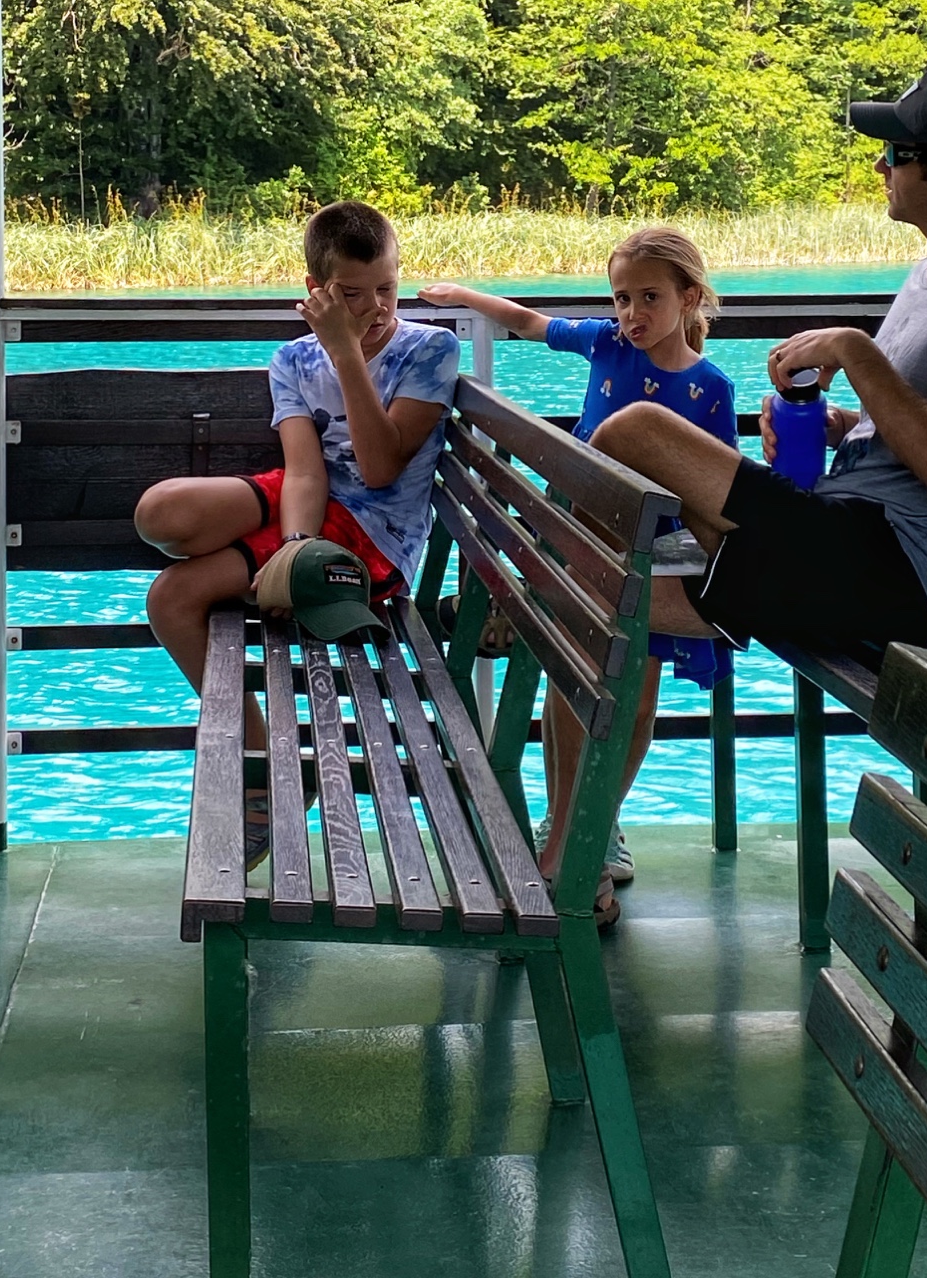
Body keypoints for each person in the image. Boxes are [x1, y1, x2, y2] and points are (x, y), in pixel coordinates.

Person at [584, 73, 927, 656]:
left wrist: (852, 349)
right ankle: (549, 584)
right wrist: (837, 425)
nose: (879, 167)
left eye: (895, 153)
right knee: (602, 583)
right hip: (846, 532)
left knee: (637, 431)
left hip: (904, 568)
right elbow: (920, 432)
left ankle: (547, 579)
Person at [421, 227, 737, 925]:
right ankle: (573, 837)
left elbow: (718, 492)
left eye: (650, 298)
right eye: (621, 298)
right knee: (574, 682)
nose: (632, 314)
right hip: (581, 549)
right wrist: (466, 296)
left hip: (655, 563)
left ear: (689, 298)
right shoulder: (605, 344)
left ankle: (595, 827)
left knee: (636, 705)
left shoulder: (711, 387)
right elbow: (531, 323)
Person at [136, 199, 460, 869]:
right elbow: (306, 472)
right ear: (316, 292)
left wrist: (345, 352)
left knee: (171, 598)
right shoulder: (291, 359)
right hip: (312, 504)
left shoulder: (430, 349)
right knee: (161, 512)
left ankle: (263, 768)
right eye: (352, 295)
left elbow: (379, 467)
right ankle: (267, 748)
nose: (375, 308)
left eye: (387, 288)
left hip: (373, 534)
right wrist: (294, 549)